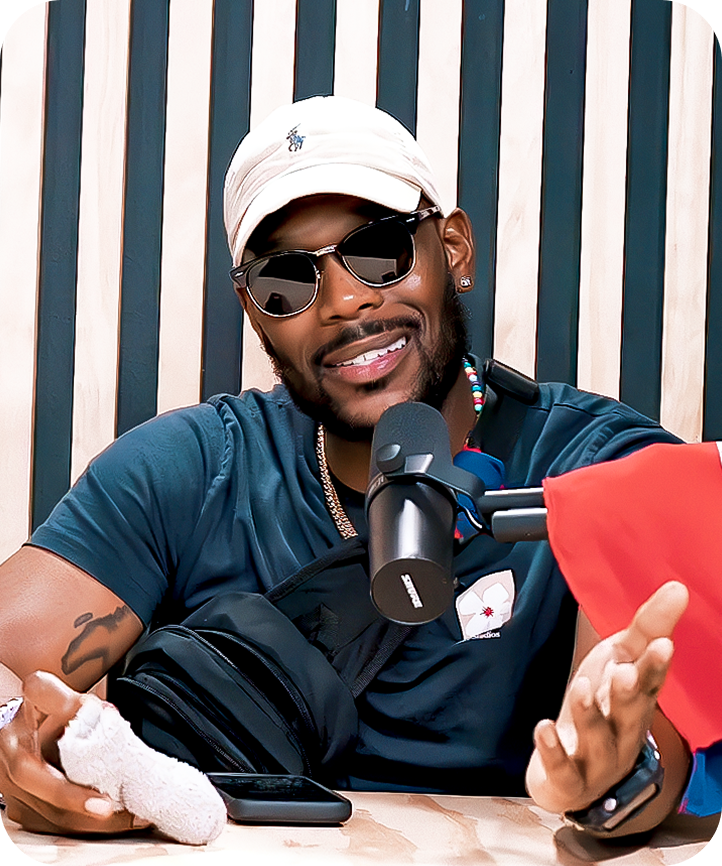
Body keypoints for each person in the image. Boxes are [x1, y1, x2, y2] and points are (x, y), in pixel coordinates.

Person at [0, 96, 691, 839]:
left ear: (453, 249)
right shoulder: (191, 470)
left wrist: (616, 778)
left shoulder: (606, 468)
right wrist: (15, 740)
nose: (345, 300)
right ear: (252, 307)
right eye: (286, 280)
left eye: (379, 249)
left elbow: (647, 734)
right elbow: (11, 665)